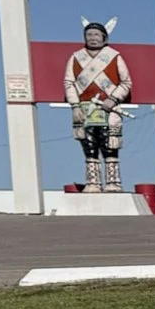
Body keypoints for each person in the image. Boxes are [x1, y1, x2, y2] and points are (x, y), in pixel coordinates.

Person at [64, 19, 132, 191]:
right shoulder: (75, 57)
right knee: (89, 146)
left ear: (104, 37)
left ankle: (113, 183)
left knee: (110, 146)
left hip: (109, 109)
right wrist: (75, 105)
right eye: (89, 34)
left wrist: (113, 98)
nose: (92, 38)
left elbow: (126, 82)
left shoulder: (114, 56)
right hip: (84, 109)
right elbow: (69, 82)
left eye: (96, 34)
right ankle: (93, 183)